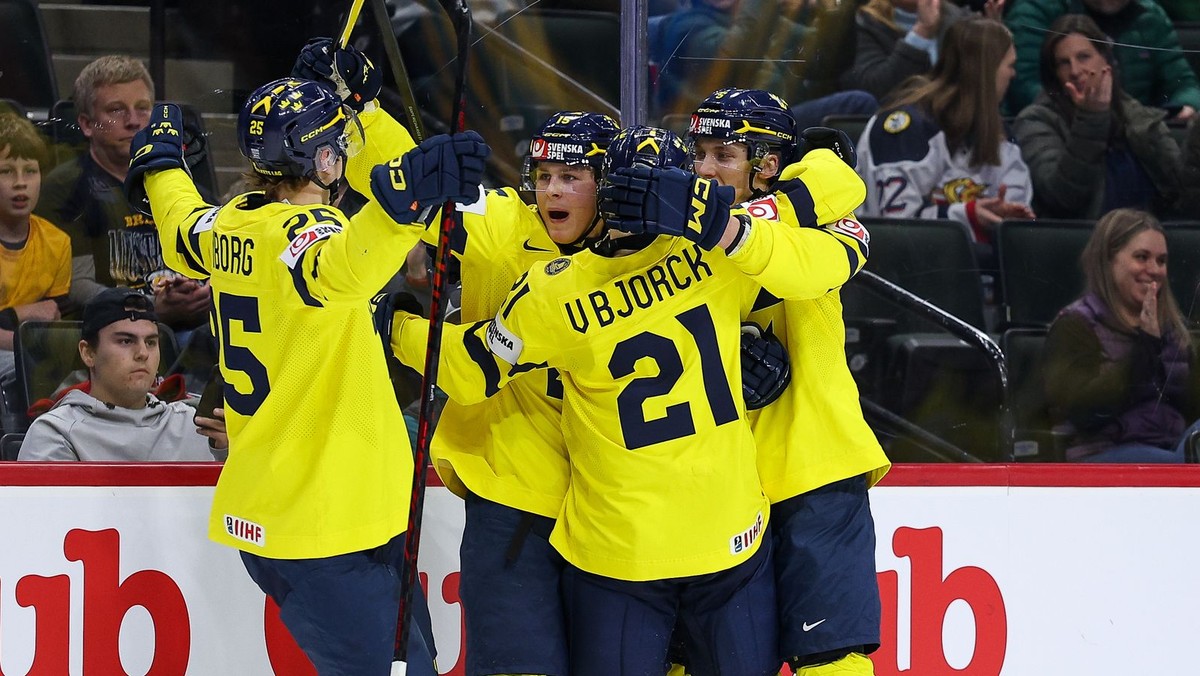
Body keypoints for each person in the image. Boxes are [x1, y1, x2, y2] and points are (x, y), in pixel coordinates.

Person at [389, 124, 869, 674]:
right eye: (546, 177)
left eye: (572, 177)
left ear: (605, 190)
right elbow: (826, 260)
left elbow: (469, 369)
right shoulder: (716, 257)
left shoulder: (552, 291)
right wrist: (764, 239)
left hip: (619, 550)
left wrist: (397, 326)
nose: (553, 191)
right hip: (727, 541)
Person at [126, 62, 489, 672]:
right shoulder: (308, 235)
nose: (346, 156)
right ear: (321, 161)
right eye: (340, 146)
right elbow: (344, 266)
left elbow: (178, 222)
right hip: (322, 522)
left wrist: (162, 165)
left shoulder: (228, 225)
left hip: (307, 509)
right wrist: (402, 206)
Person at [687, 87, 891, 674]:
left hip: (815, 463)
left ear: (768, 165)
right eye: (698, 153)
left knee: (833, 655)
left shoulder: (817, 212)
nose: (703, 169)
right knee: (697, 656)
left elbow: (836, 175)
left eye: (722, 155)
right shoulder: (679, 233)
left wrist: (749, 218)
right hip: (717, 476)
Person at [34, 55, 211, 335]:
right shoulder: (64, 189)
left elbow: (218, 253)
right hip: (110, 333)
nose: (133, 122)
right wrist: (151, 306)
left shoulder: (181, 182)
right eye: (116, 110)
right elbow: (76, 286)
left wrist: (209, 289)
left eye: (143, 108)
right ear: (87, 124)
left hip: (192, 327)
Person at [857, 17, 1034, 249]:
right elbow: (897, 227)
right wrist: (969, 216)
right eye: (1010, 65)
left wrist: (1003, 216)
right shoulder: (905, 129)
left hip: (976, 273)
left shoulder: (1001, 136)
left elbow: (1017, 210)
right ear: (986, 70)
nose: (1013, 75)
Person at [1043, 208, 1200, 462]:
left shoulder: (1174, 330)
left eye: (1161, 261)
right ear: (1108, 260)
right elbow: (1085, 413)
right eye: (1142, 257)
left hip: (1171, 451)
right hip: (1102, 455)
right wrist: (1146, 347)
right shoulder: (1075, 326)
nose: (1154, 270)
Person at [1012, 14, 1193, 221]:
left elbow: (1182, 192)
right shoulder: (1036, 121)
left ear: (1105, 59)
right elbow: (1064, 196)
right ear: (1053, 73)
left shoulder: (1136, 115)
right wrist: (1091, 117)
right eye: (1063, 63)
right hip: (1087, 242)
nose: (1075, 70)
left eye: (1083, 57)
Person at [17, 287, 226, 461]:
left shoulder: (198, 427)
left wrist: (227, 452)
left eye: (151, 342)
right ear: (88, 353)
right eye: (126, 341)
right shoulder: (57, 434)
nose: (143, 353)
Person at [651, 0, 879, 126]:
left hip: (764, 122)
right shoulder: (685, 26)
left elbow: (828, 62)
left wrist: (836, 9)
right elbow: (735, 57)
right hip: (717, 127)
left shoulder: (762, 23)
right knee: (856, 103)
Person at [1005, 0, 1200, 120]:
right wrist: (1084, 112)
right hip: (1059, 130)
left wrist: (1187, 106)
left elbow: (1183, 83)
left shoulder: (1150, 16)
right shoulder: (1037, 10)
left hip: (1137, 133)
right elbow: (1023, 85)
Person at [0, 113, 70, 424]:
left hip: (32, 355)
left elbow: (55, 323)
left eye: (30, 171)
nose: (20, 183)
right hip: (21, 357)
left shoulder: (57, 242)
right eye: (6, 171)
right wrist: (20, 315)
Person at [841, 0, 983, 103]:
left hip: (953, 123)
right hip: (894, 125)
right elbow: (875, 89)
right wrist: (921, 33)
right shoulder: (865, 22)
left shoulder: (961, 21)